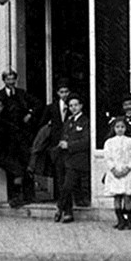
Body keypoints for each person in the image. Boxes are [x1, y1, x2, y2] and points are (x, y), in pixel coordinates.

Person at [0, 70, 42, 205]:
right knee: (12, 166)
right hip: (6, 137)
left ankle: (29, 195)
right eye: (8, 79)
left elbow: (37, 104)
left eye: (13, 79)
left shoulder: (21, 93)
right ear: (4, 81)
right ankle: (14, 197)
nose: (11, 82)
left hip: (21, 134)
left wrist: (29, 114)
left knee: (26, 163)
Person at [55, 94, 91, 224]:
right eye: (70, 106)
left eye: (76, 105)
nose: (73, 108)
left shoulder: (85, 121)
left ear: (81, 106)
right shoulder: (69, 121)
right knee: (65, 185)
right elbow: (64, 135)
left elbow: (86, 141)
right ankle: (67, 213)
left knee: (68, 185)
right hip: (66, 158)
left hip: (78, 159)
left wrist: (69, 145)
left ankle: (60, 207)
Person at [38, 79, 71, 202]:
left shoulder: (73, 106)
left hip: (69, 143)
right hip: (55, 143)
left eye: (66, 91)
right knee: (58, 171)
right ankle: (59, 198)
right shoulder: (51, 107)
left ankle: (70, 198)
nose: (64, 94)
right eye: (62, 92)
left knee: (69, 171)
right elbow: (42, 123)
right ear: (58, 93)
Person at [103, 116, 131, 230]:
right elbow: (107, 157)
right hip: (115, 172)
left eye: (122, 127)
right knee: (117, 197)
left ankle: (128, 220)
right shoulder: (109, 142)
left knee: (127, 196)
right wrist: (113, 169)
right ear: (113, 128)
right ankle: (120, 220)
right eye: (117, 127)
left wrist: (127, 168)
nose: (120, 129)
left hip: (127, 171)